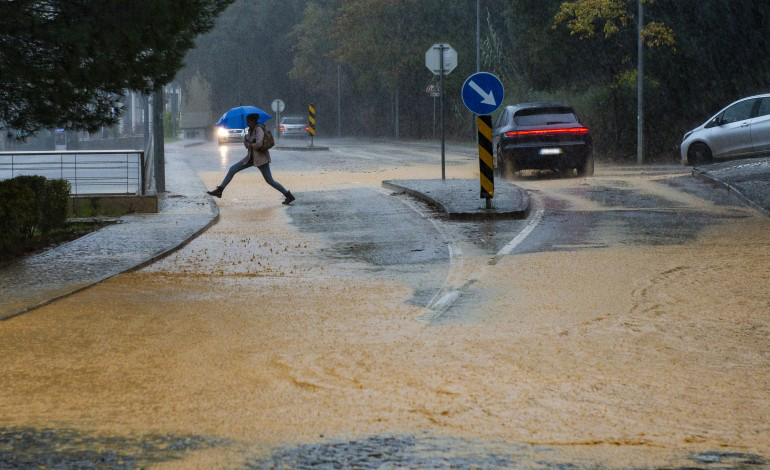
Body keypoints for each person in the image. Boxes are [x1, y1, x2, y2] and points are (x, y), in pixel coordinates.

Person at [207, 113, 295, 205]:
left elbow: (259, 144)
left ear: (253, 121)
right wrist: (246, 142)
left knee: (270, 181)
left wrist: (250, 144)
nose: (247, 123)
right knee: (232, 169)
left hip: (261, 159)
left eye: (249, 122)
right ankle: (220, 190)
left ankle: (288, 195)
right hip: (250, 158)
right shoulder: (250, 130)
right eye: (247, 122)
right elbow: (249, 144)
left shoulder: (259, 129)